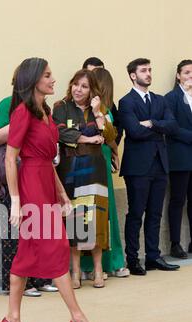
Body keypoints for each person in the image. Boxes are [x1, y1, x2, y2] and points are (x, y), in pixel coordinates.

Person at [2, 57, 107, 322]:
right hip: (30, 185)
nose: (53, 79)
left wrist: (61, 194)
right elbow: (11, 158)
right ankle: (79, 319)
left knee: (26, 254)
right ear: (34, 79)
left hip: (46, 181)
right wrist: (15, 201)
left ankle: (12, 318)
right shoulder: (23, 112)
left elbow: (48, 160)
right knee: (57, 245)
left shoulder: (46, 112)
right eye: (48, 75)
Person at [0, 88, 58, 296]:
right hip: (15, 173)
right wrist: (23, 123)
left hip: (38, 175)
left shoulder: (42, 108)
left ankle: (41, 277)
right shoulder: (8, 104)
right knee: (15, 233)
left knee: (41, 228)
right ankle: (18, 284)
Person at [53, 69, 115, 289]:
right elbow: (60, 132)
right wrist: (88, 136)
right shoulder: (61, 107)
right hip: (71, 168)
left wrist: (98, 114)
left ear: (92, 91)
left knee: (96, 219)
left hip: (95, 169)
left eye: (84, 86)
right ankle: (76, 272)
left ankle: (98, 270)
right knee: (75, 219)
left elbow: (109, 136)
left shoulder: (99, 108)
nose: (78, 89)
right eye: (76, 84)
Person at [119, 58, 180, 275]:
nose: (148, 73)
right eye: (144, 70)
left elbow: (172, 126)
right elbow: (133, 131)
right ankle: (133, 259)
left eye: (150, 70)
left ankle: (153, 257)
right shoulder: (126, 102)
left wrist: (152, 123)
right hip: (138, 167)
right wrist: (156, 126)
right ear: (133, 75)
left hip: (160, 164)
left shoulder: (160, 100)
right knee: (136, 214)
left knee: (155, 214)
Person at [81, 68, 130, 278]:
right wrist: (115, 151)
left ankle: (106, 263)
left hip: (98, 163)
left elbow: (110, 133)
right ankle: (91, 265)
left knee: (102, 214)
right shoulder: (80, 109)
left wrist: (113, 149)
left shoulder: (103, 110)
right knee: (89, 215)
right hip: (88, 163)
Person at [165, 60, 192, 259]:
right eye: (187, 72)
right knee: (177, 199)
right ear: (178, 75)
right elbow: (171, 127)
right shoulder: (171, 98)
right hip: (180, 157)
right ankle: (175, 243)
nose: (190, 76)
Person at [82, 57, 123, 145]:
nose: (97, 78)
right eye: (92, 74)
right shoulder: (76, 102)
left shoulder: (110, 104)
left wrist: (113, 148)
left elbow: (118, 127)